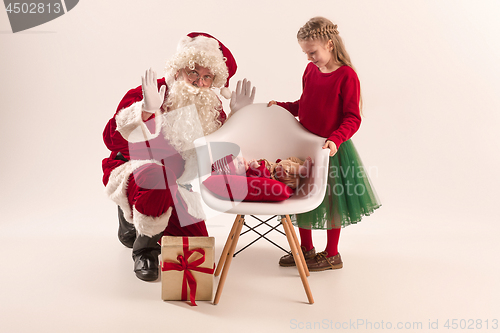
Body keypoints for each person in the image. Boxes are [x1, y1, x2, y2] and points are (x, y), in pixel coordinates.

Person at [102, 32, 256, 281]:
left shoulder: (211, 106)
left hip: (181, 183)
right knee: (159, 177)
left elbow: (217, 158)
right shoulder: (151, 93)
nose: (199, 82)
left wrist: (237, 118)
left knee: (197, 252)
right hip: (138, 168)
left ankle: (141, 223)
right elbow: (111, 140)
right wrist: (146, 111)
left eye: (207, 77)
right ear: (179, 69)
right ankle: (145, 248)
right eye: (194, 72)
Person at [268, 17, 381, 271]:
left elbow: (353, 117)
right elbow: (304, 104)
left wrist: (335, 139)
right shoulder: (310, 71)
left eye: (312, 52)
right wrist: (283, 108)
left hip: (330, 149)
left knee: (331, 200)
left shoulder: (346, 76)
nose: (309, 58)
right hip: (305, 146)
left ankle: (332, 254)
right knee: (302, 193)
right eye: (305, 53)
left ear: (329, 45)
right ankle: (306, 249)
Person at [211, 154, 313, 190]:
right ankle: (303, 170)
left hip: (292, 176)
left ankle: (301, 167)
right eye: (238, 165)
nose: (241, 161)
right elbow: (265, 176)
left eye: (238, 160)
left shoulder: (249, 169)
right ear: (238, 174)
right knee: (283, 165)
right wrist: (256, 167)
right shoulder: (249, 175)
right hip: (285, 179)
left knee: (290, 159)